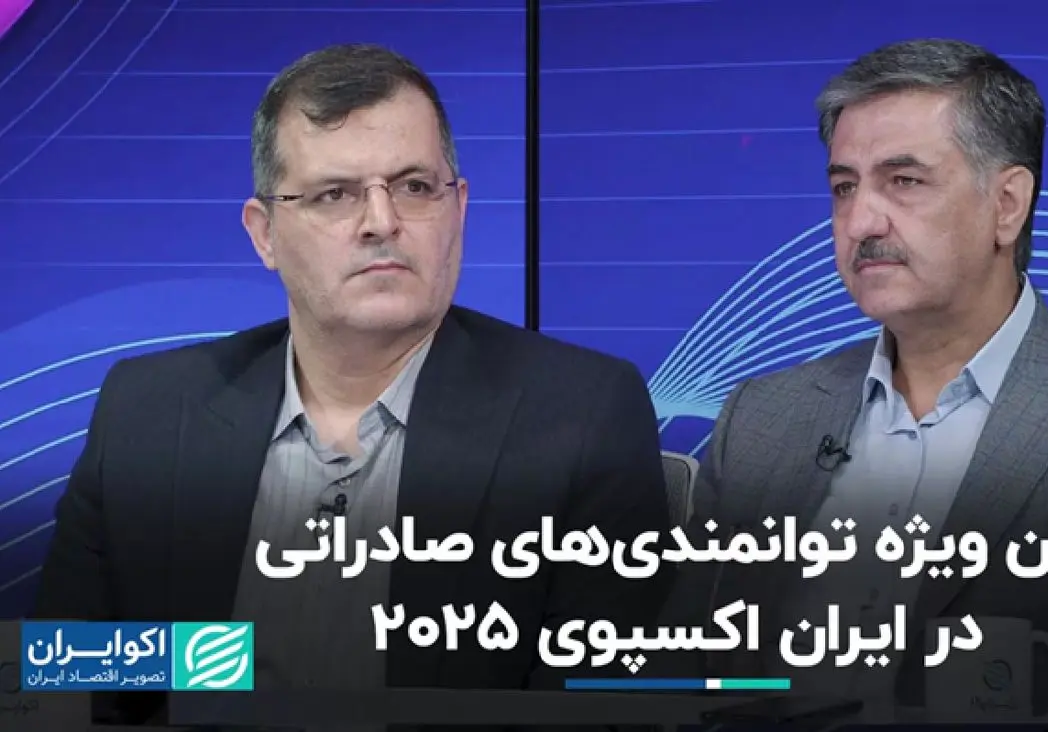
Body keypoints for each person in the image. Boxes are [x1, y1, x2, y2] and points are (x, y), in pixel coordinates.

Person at [33, 43, 672, 724]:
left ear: (458, 209)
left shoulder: (581, 418)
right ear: (264, 234)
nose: (382, 222)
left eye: (414, 187)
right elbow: (65, 685)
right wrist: (215, 661)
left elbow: (592, 709)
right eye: (335, 194)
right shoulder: (150, 413)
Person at [659, 39, 1048, 726]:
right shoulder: (761, 418)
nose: (860, 222)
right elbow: (676, 681)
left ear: (1007, 204)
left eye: (904, 181)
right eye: (844, 187)